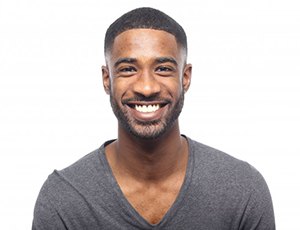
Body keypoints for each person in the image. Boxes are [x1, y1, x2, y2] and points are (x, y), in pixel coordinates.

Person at [32, 7, 275, 230]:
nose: (147, 88)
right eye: (128, 69)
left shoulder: (242, 190)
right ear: (107, 80)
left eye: (163, 68)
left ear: (185, 77)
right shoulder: (64, 199)